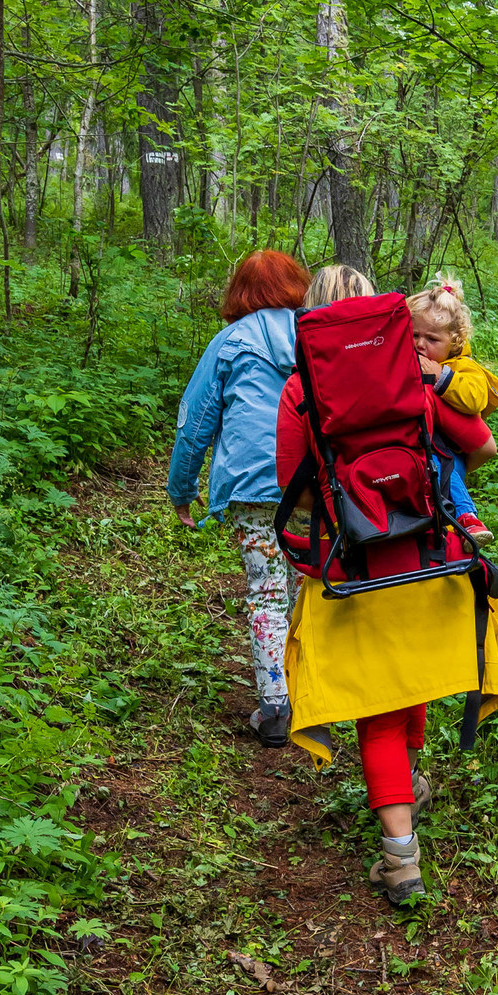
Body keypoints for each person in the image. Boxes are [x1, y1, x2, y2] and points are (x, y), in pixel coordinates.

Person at [277, 264, 498, 908]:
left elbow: (290, 486)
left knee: (378, 709)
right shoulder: (413, 375)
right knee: (407, 679)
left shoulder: (301, 390)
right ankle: (408, 783)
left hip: (354, 568)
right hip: (429, 557)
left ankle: (400, 859)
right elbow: (483, 445)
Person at [167, 248, 311, 747]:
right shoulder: (318, 334)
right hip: (314, 486)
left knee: (266, 593)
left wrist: (182, 491)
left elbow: (195, 423)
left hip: (254, 487)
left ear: (240, 293)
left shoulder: (229, 343)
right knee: (305, 585)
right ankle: (313, 696)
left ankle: (275, 709)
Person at [407, 274, 498, 545]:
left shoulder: (463, 366)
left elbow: (475, 399)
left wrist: (440, 375)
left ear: (455, 342)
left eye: (431, 339)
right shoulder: (410, 360)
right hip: (425, 443)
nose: (420, 344)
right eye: (414, 335)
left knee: (436, 465)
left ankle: (467, 519)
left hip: (450, 449)